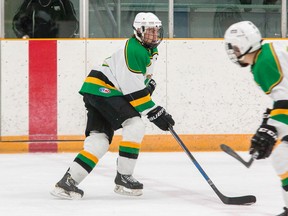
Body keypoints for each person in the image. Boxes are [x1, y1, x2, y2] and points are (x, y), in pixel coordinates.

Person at [50, 12, 175, 199]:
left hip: (98, 91)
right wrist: (155, 112)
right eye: (149, 31)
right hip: (104, 91)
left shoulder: (149, 50)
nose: (154, 35)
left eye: (156, 30)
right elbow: (133, 93)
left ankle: (67, 183)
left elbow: (133, 86)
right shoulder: (135, 50)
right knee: (135, 124)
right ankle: (124, 177)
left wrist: (146, 89)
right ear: (138, 31)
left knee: (99, 141)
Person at [224, 21, 288, 216]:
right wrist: (268, 123)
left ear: (245, 44)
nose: (233, 52)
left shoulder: (265, 61)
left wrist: (270, 129)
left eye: (234, 47)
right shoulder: (264, 56)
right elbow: (282, 99)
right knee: (282, 157)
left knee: (283, 156)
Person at [12, 0, 79, 38]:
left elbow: (73, 23)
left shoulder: (63, 2)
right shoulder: (30, 2)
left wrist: (63, 39)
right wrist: (23, 35)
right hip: (34, 46)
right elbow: (17, 22)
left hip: (58, 47)